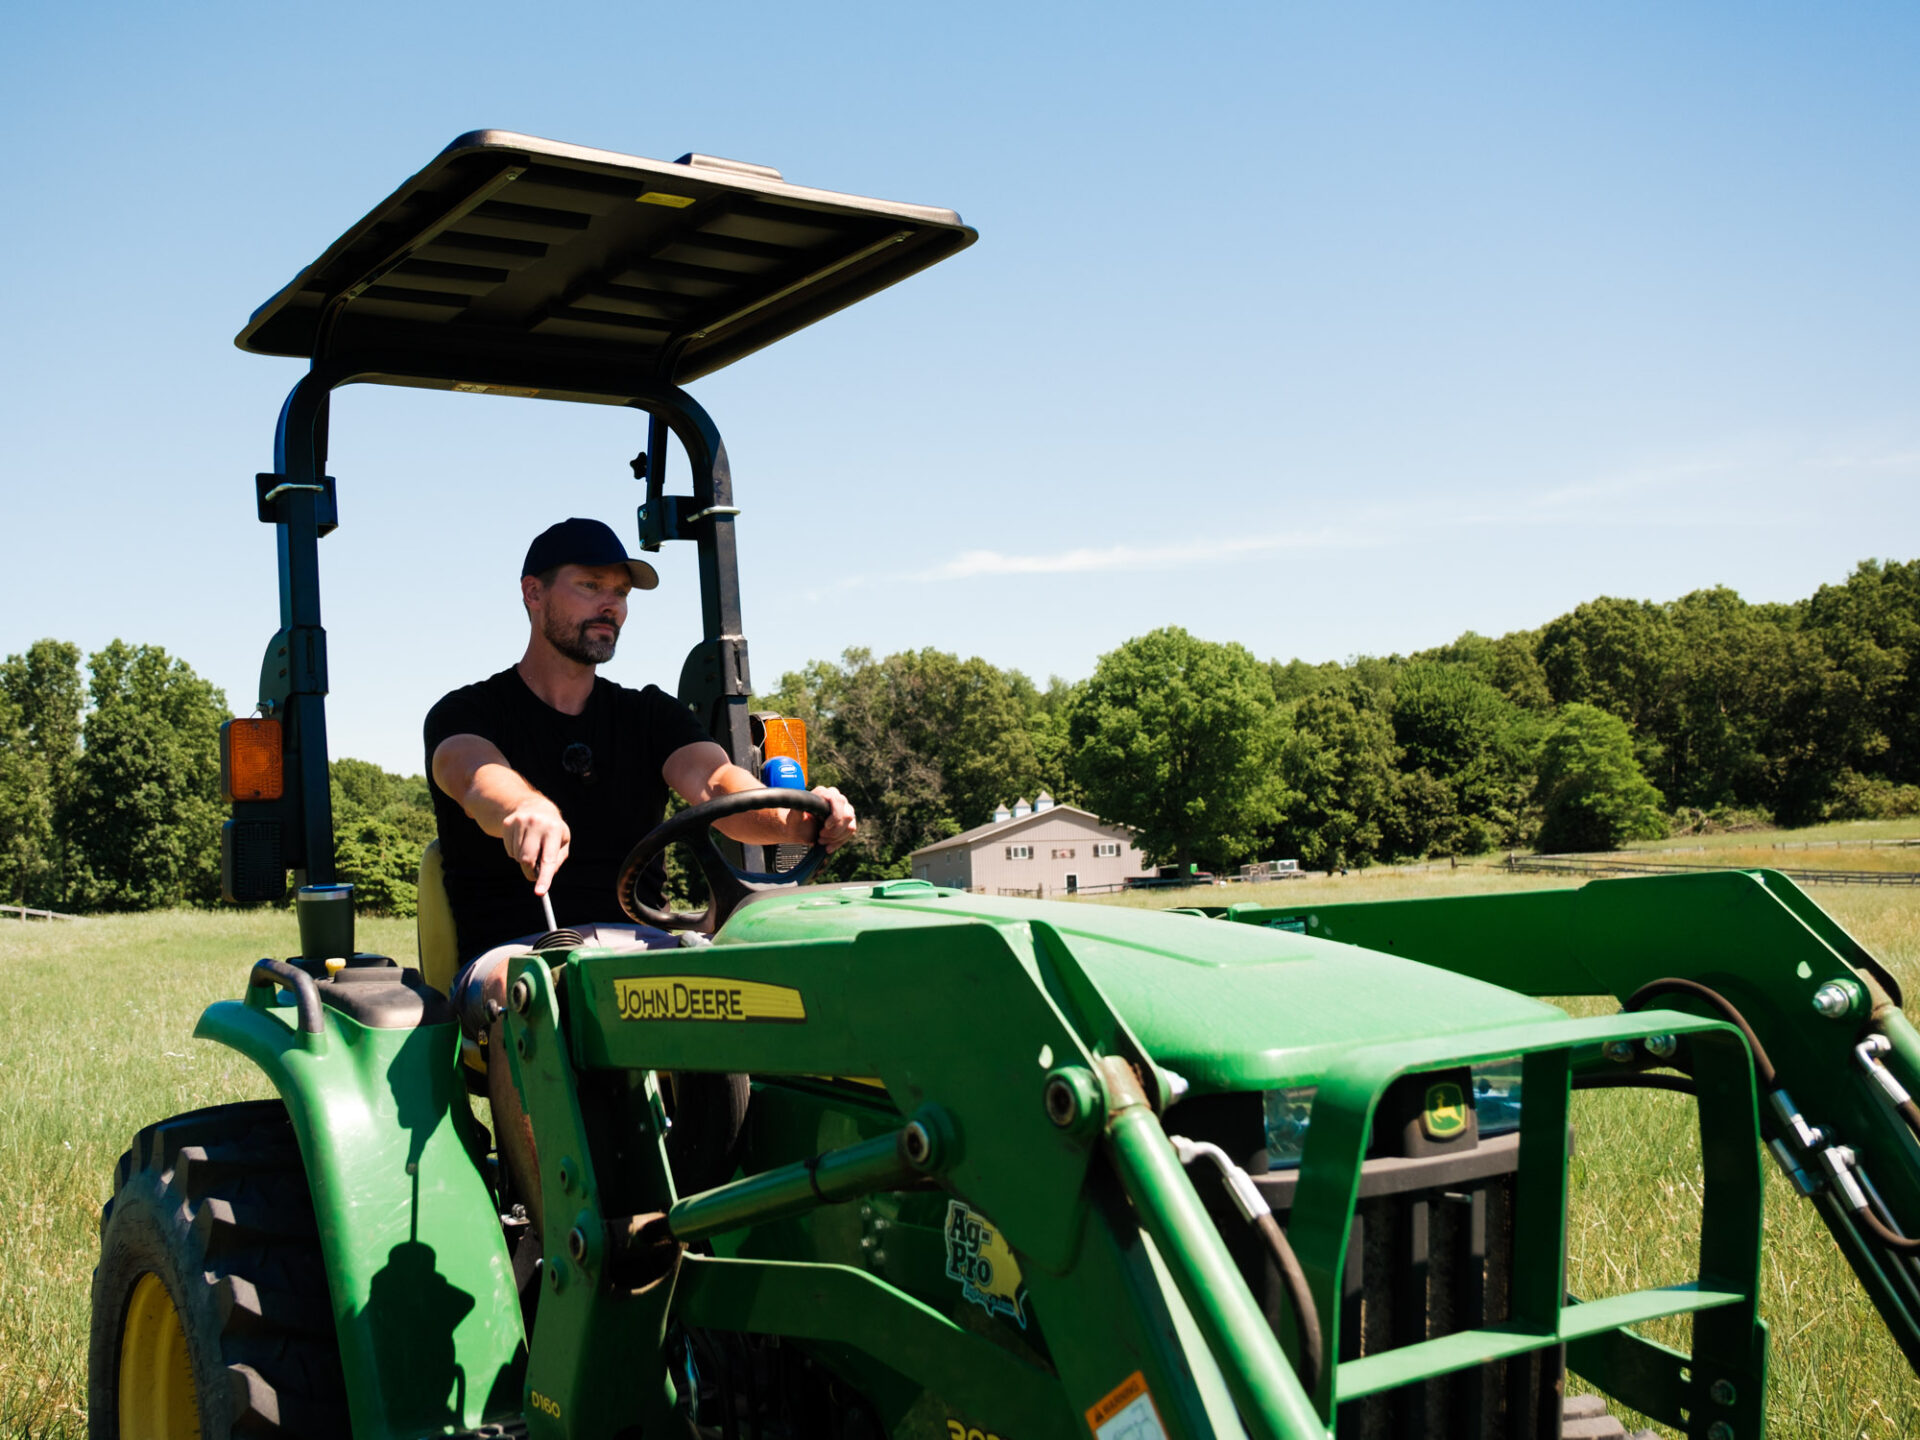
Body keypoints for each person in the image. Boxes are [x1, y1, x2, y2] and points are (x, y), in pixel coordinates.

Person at [424, 516, 856, 1224]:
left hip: (635, 949)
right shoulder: (469, 712)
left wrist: (800, 816)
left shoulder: (648, 715)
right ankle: (568, 1238)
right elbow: (473, 776)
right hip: (518, 950)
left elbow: (720, 789)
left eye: (621, 592)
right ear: (533, 594)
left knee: (756, 982)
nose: (611, 606)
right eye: (590, 586)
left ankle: (729, 1207)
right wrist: (524, 809)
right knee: (528, 990)